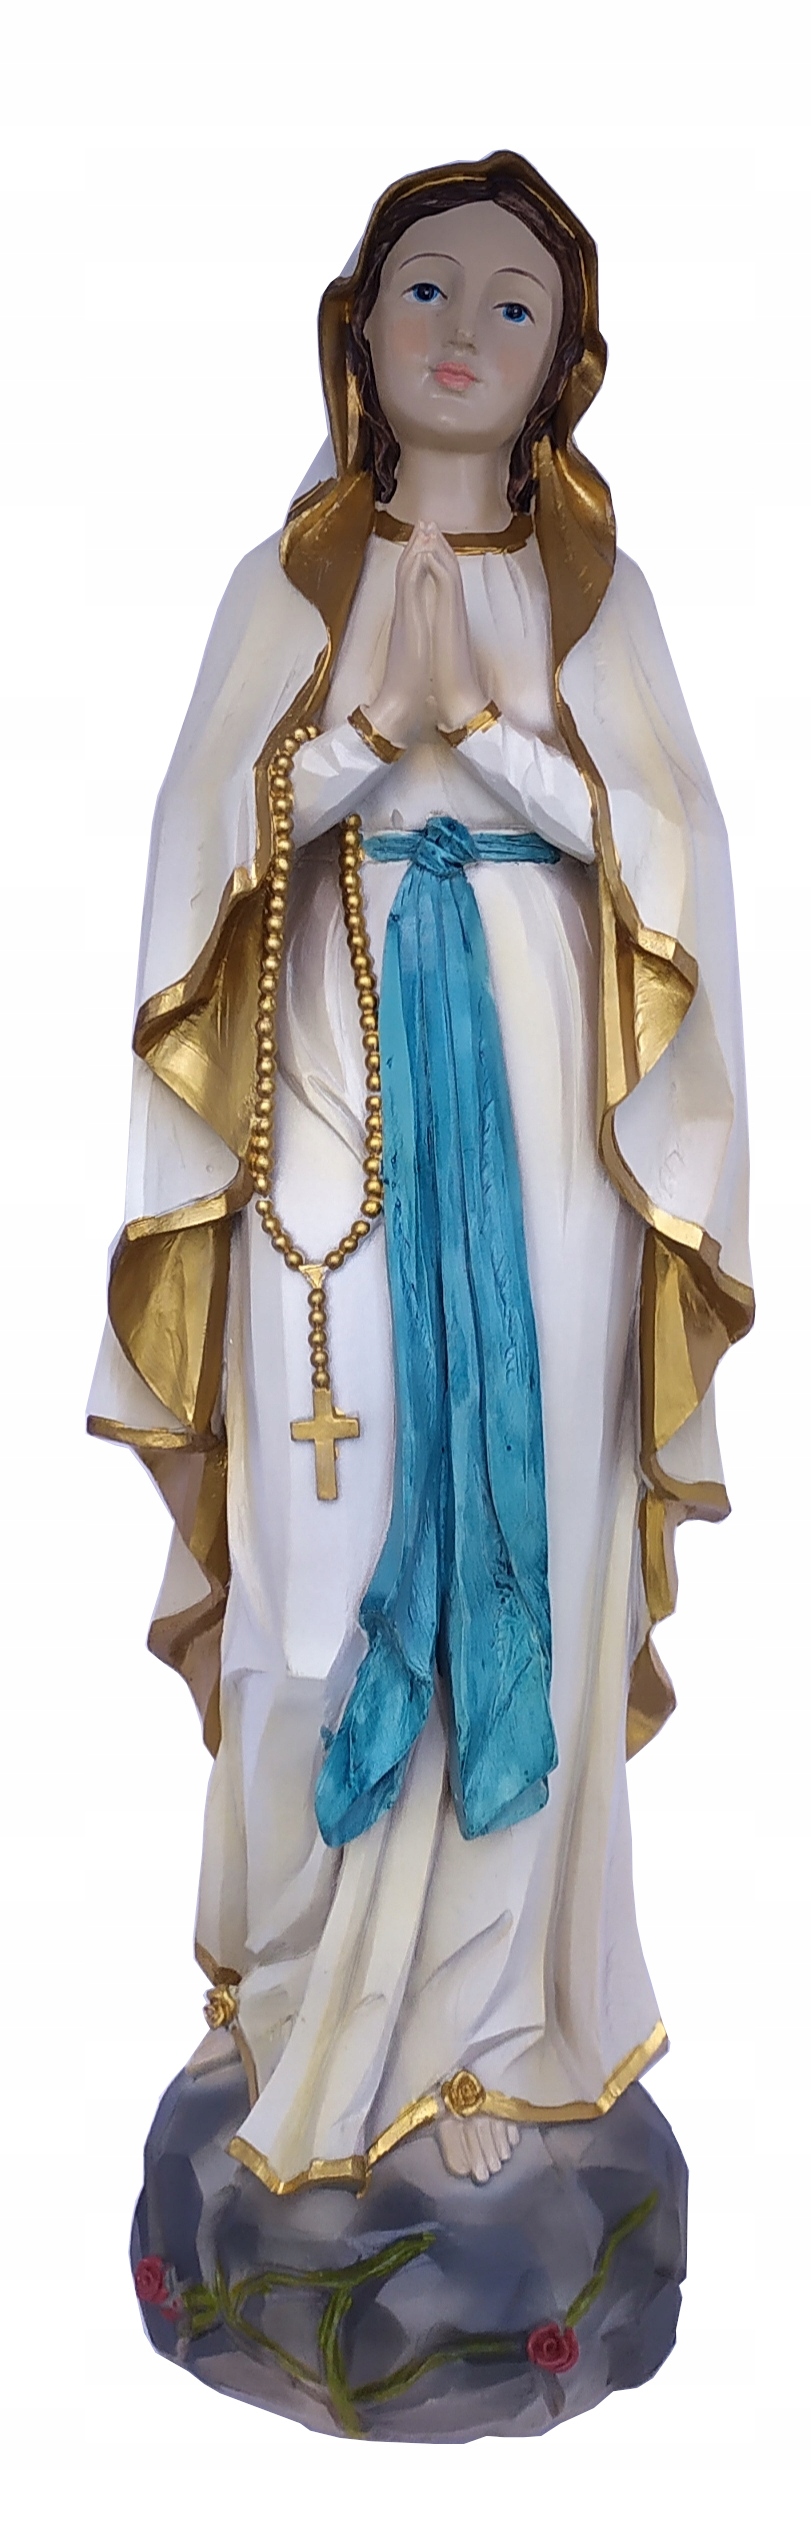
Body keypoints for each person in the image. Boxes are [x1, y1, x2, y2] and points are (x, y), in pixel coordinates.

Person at [88, 152, 752, 2195]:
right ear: (359, 324)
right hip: (325, 1111)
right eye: (427, 288)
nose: (465, 329)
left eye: (514, 304)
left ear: (567, 364)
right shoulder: (283, 586)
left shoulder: (596, 597)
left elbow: (676, 868)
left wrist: (520, 755)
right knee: (326, 1528)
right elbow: (201, 851)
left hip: (545, 1135)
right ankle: (302, 2002)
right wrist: (371, 751)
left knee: (521, 1522)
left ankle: (486, 2037)